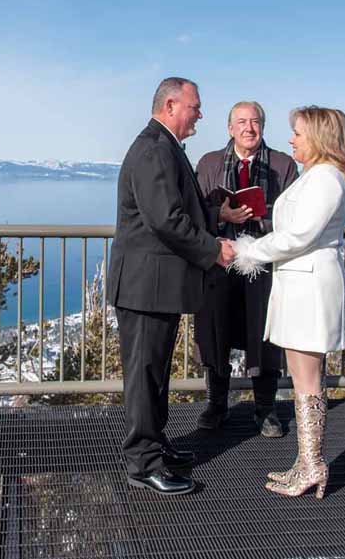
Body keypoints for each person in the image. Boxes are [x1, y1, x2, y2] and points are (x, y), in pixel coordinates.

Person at [108, 77, 236, 496]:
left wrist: (219, 216)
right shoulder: (152, 150)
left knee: (156, 373)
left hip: (156, 286)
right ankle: (142, 463)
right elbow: (165, 219)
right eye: (195, 107)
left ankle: (156, 445)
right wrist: (213, 249)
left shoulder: (164, 148)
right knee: (145, 374)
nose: (200, 114)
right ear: (170, 106)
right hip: (145, 287)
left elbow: (181, 211)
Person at [230, 105, 345, 499]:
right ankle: (306, 462)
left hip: (310, 289)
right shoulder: (317, 177)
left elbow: (299, 235)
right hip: (300, 285)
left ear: (317, 137)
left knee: (308, 381)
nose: (291, 139)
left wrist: (246, 250)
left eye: (298, 133)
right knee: (303, 384)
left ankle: (313, 465)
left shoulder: (326, 180)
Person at [193, 101, 299, 435]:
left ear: (263, 127)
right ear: (229, 128)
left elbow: (294, 217)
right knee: (215, 332)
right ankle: (216, 405)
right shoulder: (209, 163)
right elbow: (195, 212)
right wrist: (221, 216)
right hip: (220, 261)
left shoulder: (282, 165)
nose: (248, 128)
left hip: (263, 263)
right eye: (241, 122)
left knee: (264, 335)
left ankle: (265, 409)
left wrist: (258, 217)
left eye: (255, 121)